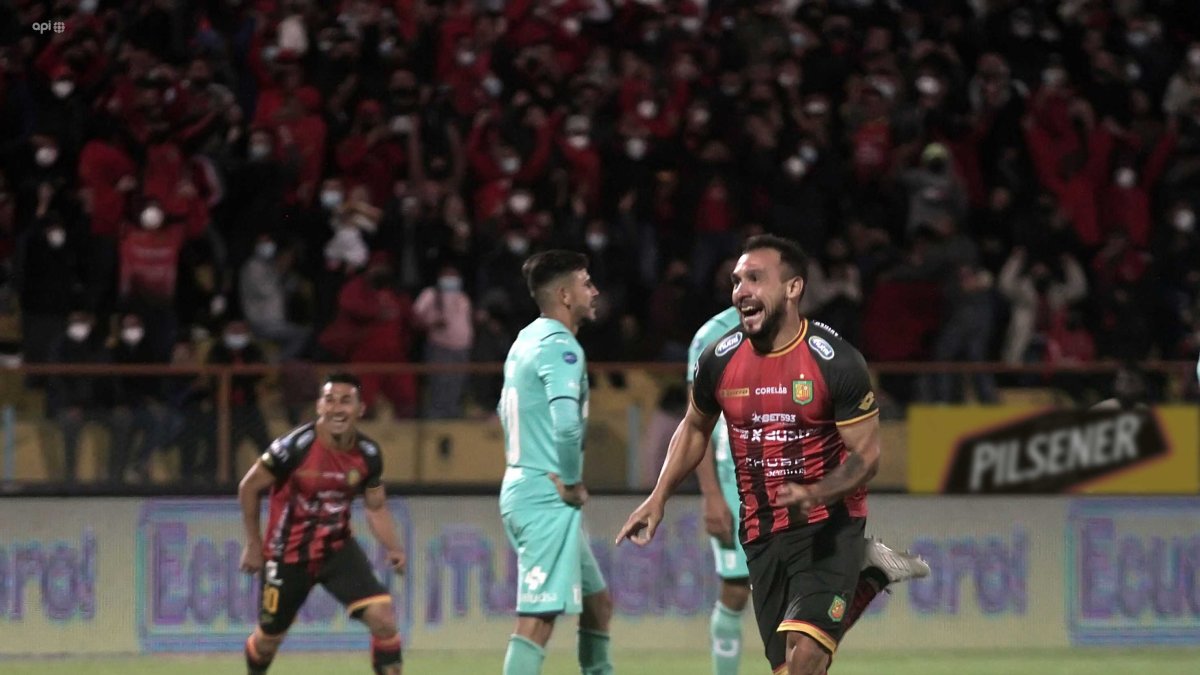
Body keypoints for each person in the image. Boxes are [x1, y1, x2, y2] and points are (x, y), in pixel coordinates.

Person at [619, 236, 928, 675]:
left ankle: (859, 566)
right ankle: (870, 574)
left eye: (755, 278)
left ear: (793, 288)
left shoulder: (835, 361)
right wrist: (658, 496)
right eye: (737, 280)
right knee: (791, 669)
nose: (740, 290)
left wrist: (818, 491)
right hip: (761, 528)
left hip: (828, 524)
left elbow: (867, 456)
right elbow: (694, 427)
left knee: (804, 660)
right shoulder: (719, 358)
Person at [238, 373, 407, 675]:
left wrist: (393, 548)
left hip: (336, 549)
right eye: (329, 400)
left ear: (360, 409)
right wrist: (253, 544)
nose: (337, 408)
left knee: (384, 620)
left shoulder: (368, 455)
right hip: (287, 555)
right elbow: (248, 487)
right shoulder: (293, 448)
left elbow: (376, 507)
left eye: (346, 401)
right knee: (268, 641)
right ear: (319, 406)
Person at [498, 250, 613, 675]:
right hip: (545, 496)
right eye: (586, 283)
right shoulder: (561, 347)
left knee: (598, 604)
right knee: (538, 619)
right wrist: (568, 481)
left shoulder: (525, 341)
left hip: (526, 485)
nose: (594, 290)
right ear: (565, 295)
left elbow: (504, 409)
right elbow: (566, 426)